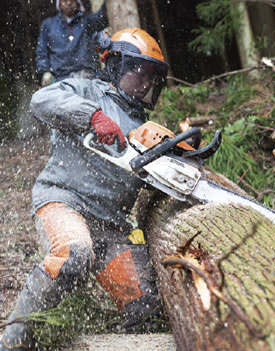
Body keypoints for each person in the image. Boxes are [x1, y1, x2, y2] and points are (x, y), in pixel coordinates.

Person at [0, 28, 168, 351]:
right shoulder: (85, 90)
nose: (146, 81)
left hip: (110, 224)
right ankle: (15, 334)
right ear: (116, 64)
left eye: (151, 75)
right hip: (63, 201)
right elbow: (42, 100)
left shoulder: (145, 127)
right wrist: (91, 116)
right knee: (74, 254)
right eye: (139, 71)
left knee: (145, 303)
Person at [36, 0, 108, 87]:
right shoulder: (48, 25)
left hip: (87, 77)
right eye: (65, 0)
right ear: (59, 4)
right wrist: (44, 72)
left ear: (78, 3)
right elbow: (42, 51)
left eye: (72, 0)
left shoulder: (87, 22)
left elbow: (103, 16)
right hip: (59, 78)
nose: (69, 3)